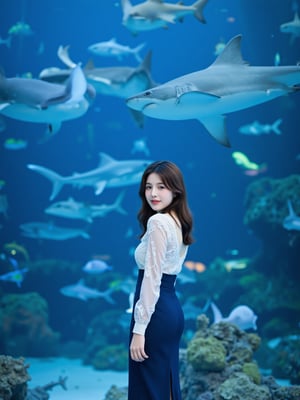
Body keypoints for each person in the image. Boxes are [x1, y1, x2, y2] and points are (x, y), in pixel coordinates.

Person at [128, 160, 193, 400]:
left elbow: (152, 279)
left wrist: (139, 329)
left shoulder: (157, 222)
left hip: (154, 315)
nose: (153, 193)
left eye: (162, 187)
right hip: (171, 309)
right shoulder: (178, 221)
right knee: (165, 387)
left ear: (176, 189)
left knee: (148, 390)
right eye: (148, 187)